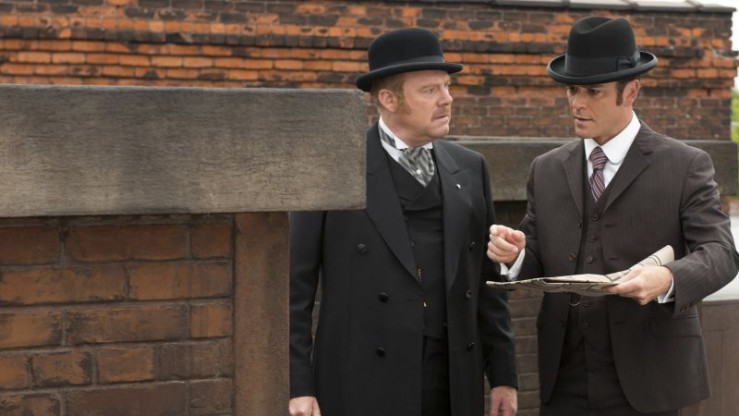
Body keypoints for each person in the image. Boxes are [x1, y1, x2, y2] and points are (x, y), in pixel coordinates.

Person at [487, 16, 739, 416]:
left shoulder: (685, 165)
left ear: (631, 91)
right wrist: (516, 254)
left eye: (593, 91)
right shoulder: (546, 169)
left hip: (649, 379)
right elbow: (538, 252)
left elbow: (721, 253)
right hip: (563, 379)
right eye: (572, 89)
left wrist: (668, 279)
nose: (577, 102)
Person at [289, 27, 518, 416]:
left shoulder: (469, 168)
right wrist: (300, 386)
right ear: (388, 99)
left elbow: (485, 283)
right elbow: (296, 289)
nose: (446, 99)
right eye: (429, 90)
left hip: (451, 379)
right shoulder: (332, 166)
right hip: (362, 382)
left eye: (446, 87)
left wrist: (503, 376)